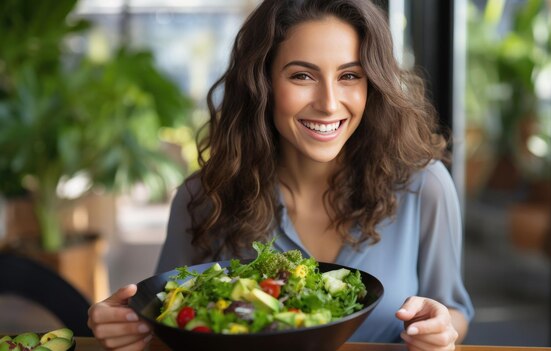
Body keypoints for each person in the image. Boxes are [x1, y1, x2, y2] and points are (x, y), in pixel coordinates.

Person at [87, 0, 474, 350]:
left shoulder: (425, 186)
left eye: (350, 76)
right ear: (262, 83)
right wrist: (125, 326)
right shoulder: (203, 197)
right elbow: (166, 319)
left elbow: (453, 311)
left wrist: (441, 330)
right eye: (302, 76)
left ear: (373, 84)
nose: (328, 103)